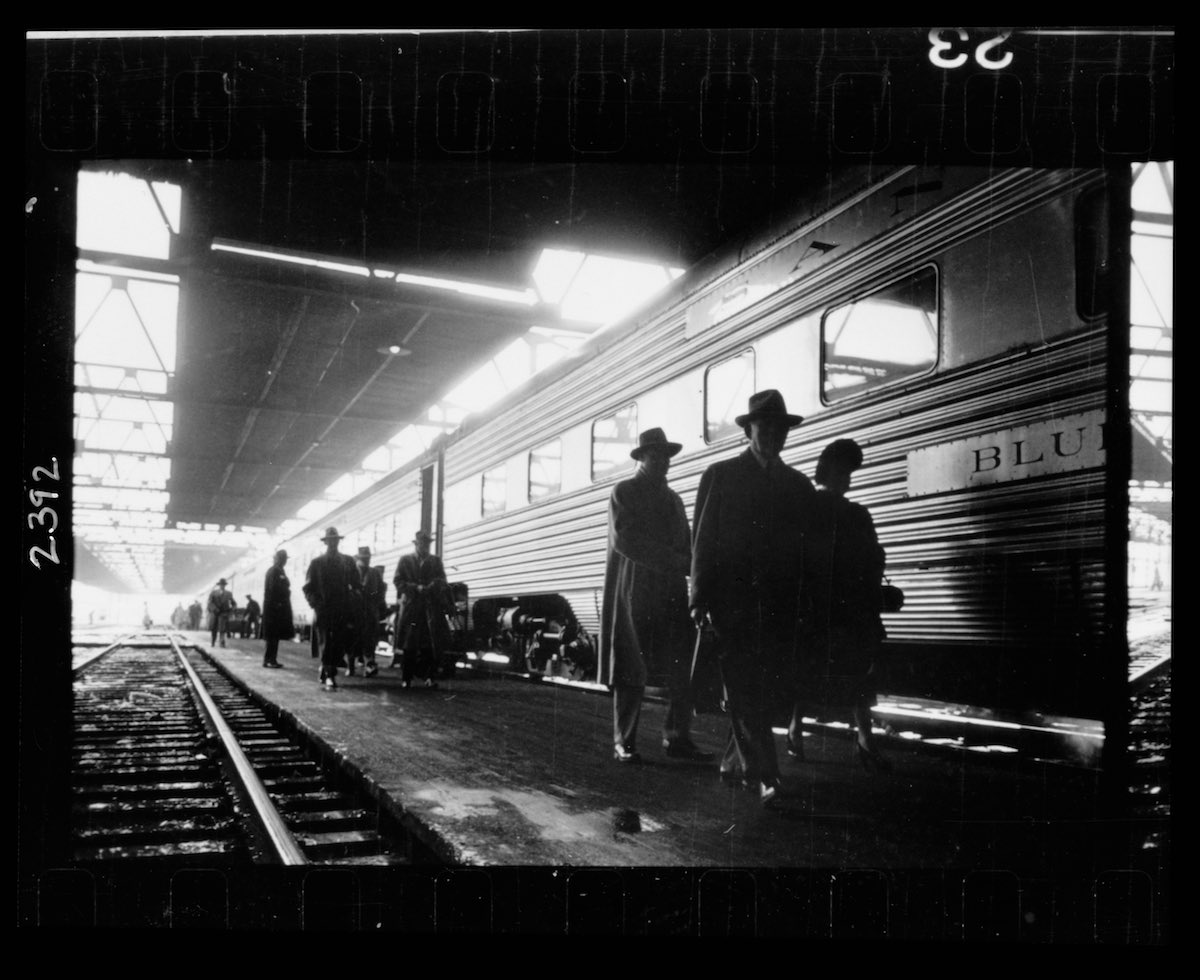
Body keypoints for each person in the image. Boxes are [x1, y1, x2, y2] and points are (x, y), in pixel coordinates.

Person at [690, 390, 815, 807]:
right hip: (733, 604)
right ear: (749, 430)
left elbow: (806, 550)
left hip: (780, 607)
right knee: (745, 689)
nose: (775, 436)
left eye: (781, 429)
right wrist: (698, 597)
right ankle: (765, 776)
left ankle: (733, 763)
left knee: (765, 689)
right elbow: (703, 541)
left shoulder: (798, 486)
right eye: (766, 428)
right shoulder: (721, 475)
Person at [600, 427, 713, 765]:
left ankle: (677, 737)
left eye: (665, 456)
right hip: (634, 589)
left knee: (682, 664)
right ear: (641, 458)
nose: (662, 461)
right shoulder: (624, 492)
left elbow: (688, 543)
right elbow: (626, 540)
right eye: (655, 455)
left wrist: (699, 569)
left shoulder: (674, 499)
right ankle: (624, 741)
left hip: (670, 591)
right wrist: (681, 562)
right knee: (630, 666)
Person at [790, 439, 891, 771]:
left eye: (849, 472)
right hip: (829, 607)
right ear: (828, 472)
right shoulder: (850, 514)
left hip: (837, 607)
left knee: (834, 673)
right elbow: (873, 558)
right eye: (842, 471)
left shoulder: (814, 510)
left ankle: (861, 739)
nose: (847, 478)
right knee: (840, 673)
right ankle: (806, 732)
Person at [303, 527, 362, 690]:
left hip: (342, 609)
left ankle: (326, 668)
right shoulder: (317, 563)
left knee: (339, 642)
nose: (333, 543)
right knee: (326, 641)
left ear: (338, 541)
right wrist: (316, 603)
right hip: (324, 609)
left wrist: (354, 598)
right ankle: (330, 674)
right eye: (330, 540)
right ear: (326, 542)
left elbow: (357, 584)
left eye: (336, 540)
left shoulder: (348, 561)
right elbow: (308, 587)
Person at [393, 530, 449, 689]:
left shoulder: (435, 561)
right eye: (422, 544)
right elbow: (398, 581)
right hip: (411, 607)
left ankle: (429, 677)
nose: (425, 547)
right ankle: (407, 678)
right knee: (409, 645)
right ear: (416, 544)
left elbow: (442, 580)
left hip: (430, 608)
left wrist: (432, 587)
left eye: (427, 544)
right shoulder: (405, 560)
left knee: (429, 644)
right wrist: (415, 588)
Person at [352, 546, 387, 678]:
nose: (366, 560)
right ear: (359, 558)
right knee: (354, 638)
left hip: (370, 611)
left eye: (368, 558)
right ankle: (352, 664)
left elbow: (380, 591)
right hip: (355, 611)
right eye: (364, 558)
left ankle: (369, 664)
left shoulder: (374, 573)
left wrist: (375, 602)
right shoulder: (352, 571)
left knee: (370, 639)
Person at [262, 549, 294, 669]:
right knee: (272, 636)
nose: (285, 561)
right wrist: (277, 605)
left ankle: (271, 659)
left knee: (274, 636)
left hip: (277, 608)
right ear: (278, 559)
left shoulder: (279, 570)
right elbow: (272, 590)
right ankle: (269, 660)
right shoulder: (274, 571)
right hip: (273, 609)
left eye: (285, 559)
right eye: (283, 559)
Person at [207, 578, 235, 647]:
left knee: (222, 629)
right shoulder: (213, 593)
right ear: (219, 585)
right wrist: (214, 609)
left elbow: (234, 603)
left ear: (225, 585)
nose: (222, 586)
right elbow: (210, 603)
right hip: (215, 613)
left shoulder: (229, 594)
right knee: (214, 629)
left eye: (223, 585)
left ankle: (222, 642)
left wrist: (231, 610)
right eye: (221, 584)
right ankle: (213, 642)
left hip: (223, 613)